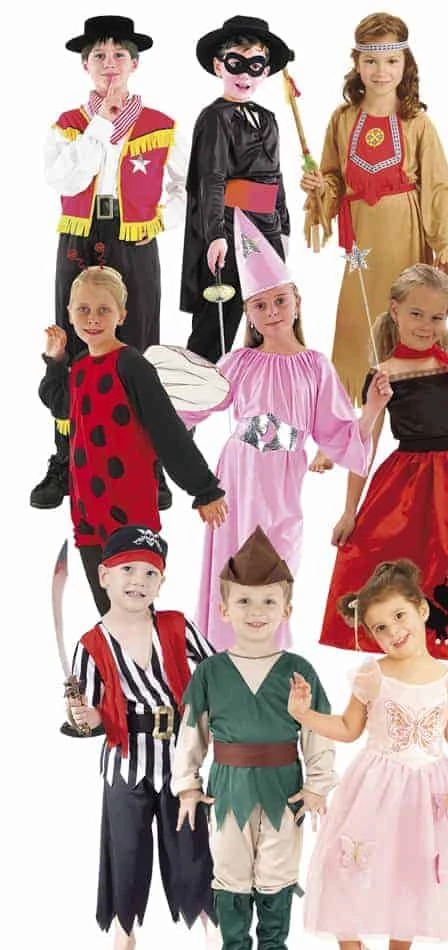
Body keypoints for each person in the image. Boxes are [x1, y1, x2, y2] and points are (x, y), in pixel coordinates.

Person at [155, 210, 390, 651]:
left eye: (280, 301)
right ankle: (223, 655)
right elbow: (192, 409)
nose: (272, 312)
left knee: (275, 566)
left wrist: (373, 408)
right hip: (237, 476)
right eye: (260, 305)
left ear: (297, 301)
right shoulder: (240, 361)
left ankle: (269, 656)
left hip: (282, 480)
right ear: (248, 313)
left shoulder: (315, 366)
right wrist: (157, 405)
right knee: (232, 563)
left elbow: (340, 436)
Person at [288, 559, 448, 950]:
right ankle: (351, 948)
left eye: (399, 616)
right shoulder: (372, 675)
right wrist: (304, 715)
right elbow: (348, 728)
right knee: (347, 863)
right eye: (380, 628)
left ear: (422, 610)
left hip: (428, 791)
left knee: (414, 868)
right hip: (375, 785)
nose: (393, 632)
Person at [319, 263, 448, 687]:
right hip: (406, 486)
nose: (426, 326)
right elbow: (364, 447)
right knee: (408, 573)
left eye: (437, 317)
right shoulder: (383, 374)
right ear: (395, 311)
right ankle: (407, 668)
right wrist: (349, 511)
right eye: (416, 314)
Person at [32, 15, 186, 511]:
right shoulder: (69, 124)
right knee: (74, 339)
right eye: (99, 55)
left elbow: (187, 185)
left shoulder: (161, 125)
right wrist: (101, 123)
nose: (110, 63)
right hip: (80, 234)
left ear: (135, 64)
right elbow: (66, 180)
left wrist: (157, 216)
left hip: (134, 237)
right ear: (85, 65)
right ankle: (67, 457)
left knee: (138, 343)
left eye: (119, 54)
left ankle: (148, 462)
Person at [172, 527, 336, 950]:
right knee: (230, 867)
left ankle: (274, 949)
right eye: (243, 601)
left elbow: (318, 730)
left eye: (268, 601)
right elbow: (191, 733)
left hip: (284, 787)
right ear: (224, 609)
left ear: (286, 609)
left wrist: (317, 785)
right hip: (229, 787)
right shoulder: (210, 672)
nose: (256, 611)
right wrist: (187, 786)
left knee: (278, 867)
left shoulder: (299, 670)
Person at [67, 526, 217, 950]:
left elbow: (216, 671)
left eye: (150, 573)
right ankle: (123, 936)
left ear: (161, 582)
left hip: (179, 759)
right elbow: (91, 718)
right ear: (104, 576)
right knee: (126, 851)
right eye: (128, 569)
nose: (139, 580)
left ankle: (213, 924)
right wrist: (83, 714)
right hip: (125, 760)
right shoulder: (91, 644)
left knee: (191, 843)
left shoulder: (175, 625)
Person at [38, 265, 228, 613]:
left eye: (103, 310)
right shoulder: (80, 367)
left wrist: (204, 489)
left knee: (136, 610)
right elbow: (59, 403)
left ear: (121, 315)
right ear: (69, 312)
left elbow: (167, 431)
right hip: (87, 512)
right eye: (83, 309)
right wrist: (55, 360)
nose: (92, 318)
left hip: (130, 511)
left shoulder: (132, 365)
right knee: (109, 612)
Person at [301, 12, 448, 409]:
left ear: (405, 64)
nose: (381, 71)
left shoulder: (417, 122)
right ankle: (357, 412)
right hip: (362, 245)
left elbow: (438, 188)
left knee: (409, 314)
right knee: (360, 321)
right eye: (371, 60)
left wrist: (446, 242)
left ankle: (415, 404)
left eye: (391, 60)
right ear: (356, 63)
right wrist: (321, 190)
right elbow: (334, 177)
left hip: (405, 235)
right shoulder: (342, 119)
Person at [181, 15, 293, 362]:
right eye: (236, 64)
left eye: (255, 65)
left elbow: (276, 177)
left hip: (266, 228)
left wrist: (284, 228)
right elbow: (211, 179)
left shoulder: (268, 118)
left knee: (271, 316)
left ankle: (264, 386)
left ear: (265, 71)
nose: (245, 75)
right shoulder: (215, 118)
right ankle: (195, 390)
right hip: (232, 227)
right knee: (218, 320)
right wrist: (215, 234)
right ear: (220, 66)